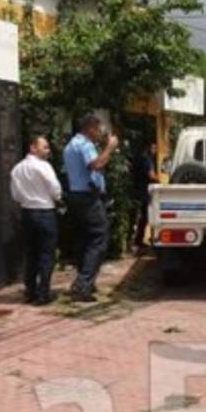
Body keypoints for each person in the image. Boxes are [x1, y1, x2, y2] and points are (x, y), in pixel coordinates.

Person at [64, 115, 118, 302]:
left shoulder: (71, 144)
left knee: (84, 239)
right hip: (88, 197)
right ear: (90, 128)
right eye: (98, 130)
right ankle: (83, 284)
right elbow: (96, 164)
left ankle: (83, 280)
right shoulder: (85, 145)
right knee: (99, 237)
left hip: (76, 195)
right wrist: (110, 148)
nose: (100, 134)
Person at [10, 135, 62, 305]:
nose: (47, 151)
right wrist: (56, 197)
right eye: (44, 147)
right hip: (45, 211)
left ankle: (30, 290)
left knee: (31, 253)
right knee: (46, 254)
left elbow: (15, 195)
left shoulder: (17, 169)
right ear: (33, 148)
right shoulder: (44, 166)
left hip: (27, 212)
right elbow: (55, 189)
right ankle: (43, 292)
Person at [131, 141, 159, 254]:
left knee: (143, 217)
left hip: (138, 190)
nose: (155, 150)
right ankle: (139, 240)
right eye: (154, 147)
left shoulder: (139, 157)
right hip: (143, 191)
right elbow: (151, 175)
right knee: (146, 216)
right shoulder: (146, 159)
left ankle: (138, 240)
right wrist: (162, 180)